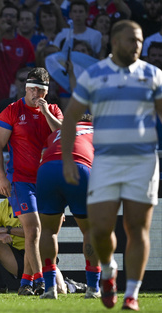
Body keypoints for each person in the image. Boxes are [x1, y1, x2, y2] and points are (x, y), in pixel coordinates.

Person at [60, 20, 162, 311]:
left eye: (140, 40)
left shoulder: (153, 74)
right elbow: (70, 118)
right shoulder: (94, 74)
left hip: (143, 161)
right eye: (132, 40)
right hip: (105, 161)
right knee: (101, 229)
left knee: (137, 227)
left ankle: (132, 294)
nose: (137, 45)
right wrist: (67, 158)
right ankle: (108, 269)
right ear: (115, 42)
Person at [0, 67, 63, 296]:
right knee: (33, 230)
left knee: (44, 233)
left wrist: (46, 113)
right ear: (25, 88)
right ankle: (40, 280)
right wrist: (1, 177)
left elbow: (63, 136)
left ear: (46, 92)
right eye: (31, 89)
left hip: (48, 180)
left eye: (39, 90)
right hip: (20, 180)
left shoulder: (53, 110)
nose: (34, 94)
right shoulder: (12, 111)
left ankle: (25, 283)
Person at [36, 114, 101, 299]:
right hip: (78, 167)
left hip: (47, 169)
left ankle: (49, 288)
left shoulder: (59, 130)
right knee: (90, 231)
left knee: (48, 231)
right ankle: (93, 288)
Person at [0, 199, 78, 295]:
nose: (10, 191)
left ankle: (70, 285)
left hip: (40, 258)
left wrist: (7, 230)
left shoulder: (37, 203)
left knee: (60, 290)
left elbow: (39, 231)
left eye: (14, 187)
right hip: (17, 259)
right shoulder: (4, 206)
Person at [0, 2, 35, 151]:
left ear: (17, 20)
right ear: (0, 19)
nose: (8, 19)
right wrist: (1, 32)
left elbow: (30, 70)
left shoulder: (25, 44)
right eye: (5, 16)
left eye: (12, 16)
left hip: (15, 100)